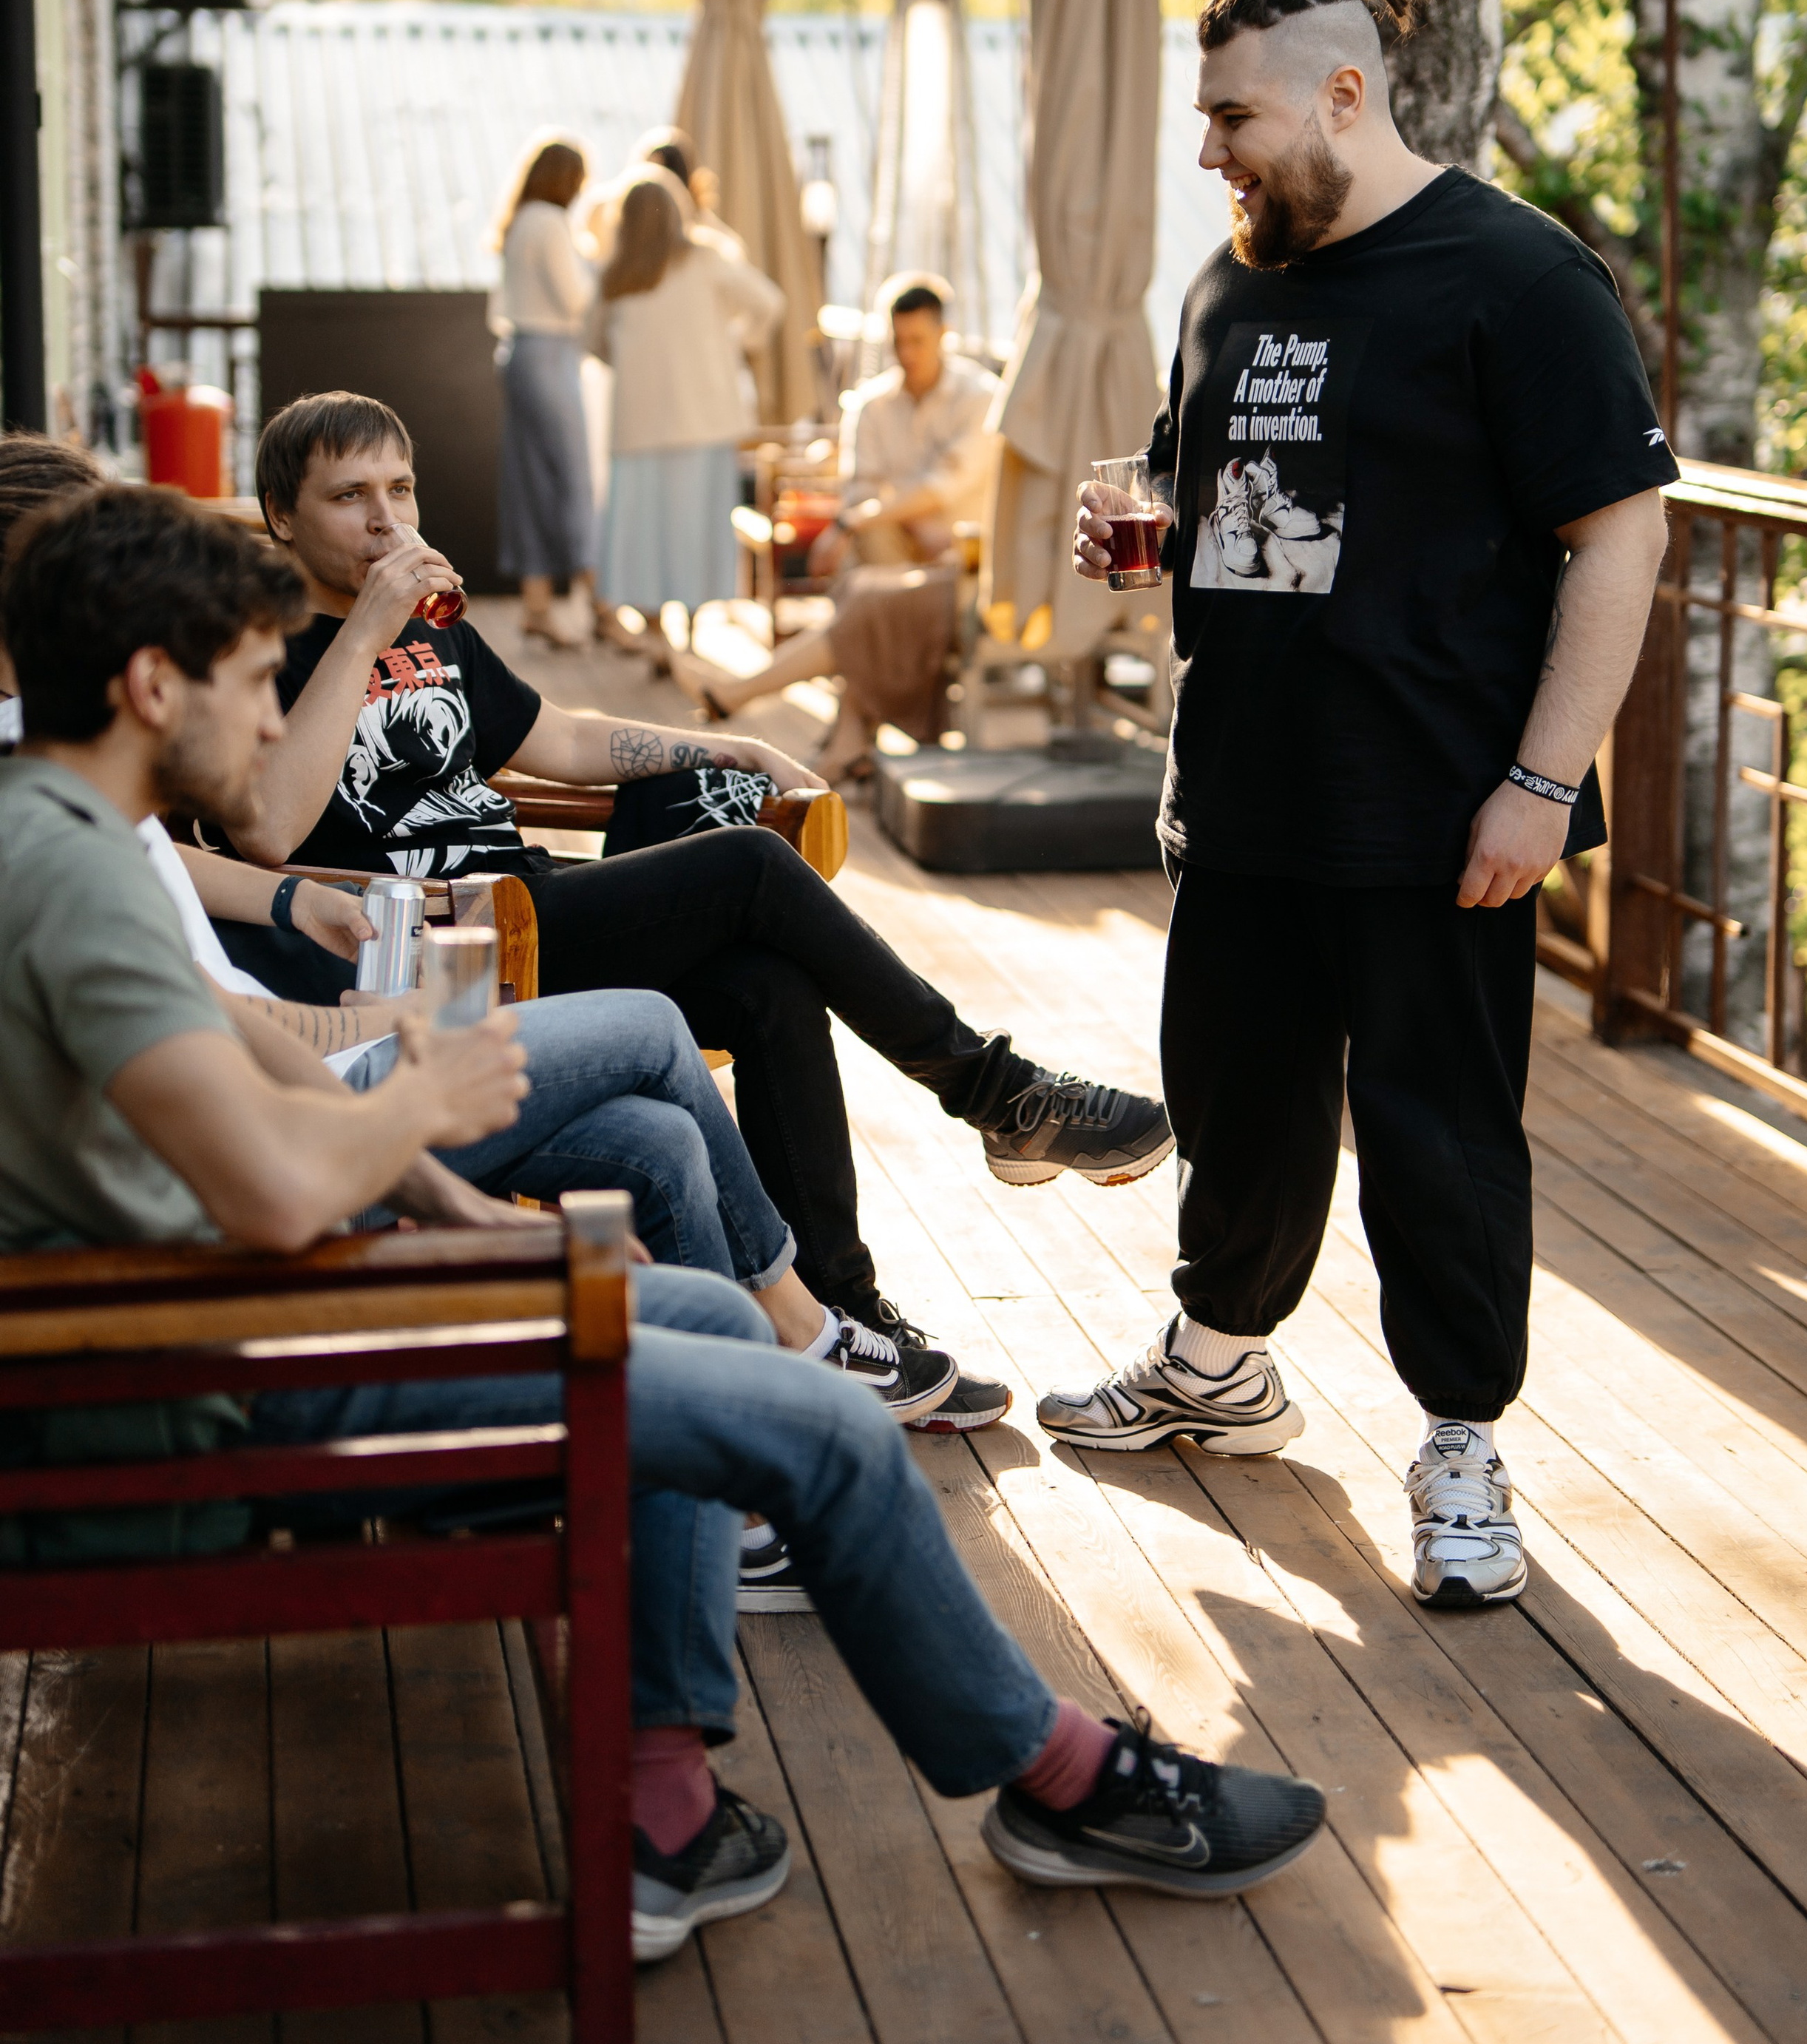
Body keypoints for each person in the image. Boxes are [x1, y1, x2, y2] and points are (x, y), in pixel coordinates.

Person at [0, 480, 1327, 1953]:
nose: (268, 730)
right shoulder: (65, 878)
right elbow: (268, 1183)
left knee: (696, 1297)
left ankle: (665, 1806)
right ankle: (1061, 1777)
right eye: (259, 686)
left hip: (248, 1310)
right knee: (814, 1423)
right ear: (146, 684)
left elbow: (250, 1080)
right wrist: (420, 1100)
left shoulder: (69, 836)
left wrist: (468, 1213)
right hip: (214, 1380)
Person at [1048, 0, 1675, 1612]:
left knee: (1436, 1137)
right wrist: (1150, 521)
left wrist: (1541, 782)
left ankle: (1460, 1436)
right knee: (1236, 1112)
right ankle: (1216, 1363)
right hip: (1241, 789)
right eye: (1202, 121)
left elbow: (1617, 536)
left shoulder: (1515, 276)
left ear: (1338, 95)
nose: (1210, 156)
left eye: (1231, 118)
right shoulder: (1221, 289)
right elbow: (1221, 493)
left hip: (1435, 813)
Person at [217, 390, 1173, 1436]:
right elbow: (268, 830)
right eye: (349, 497)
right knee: (751, 872)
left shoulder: (434, 634)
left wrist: (723, 746)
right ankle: (999, 1093)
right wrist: (361, 629)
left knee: (769, 985)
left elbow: (563, 742)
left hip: (533, 913)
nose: (385, 519)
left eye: (399, 489)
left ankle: (839, 1311)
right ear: (279, 515)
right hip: (438, 949)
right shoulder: (262, 651)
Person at [672, 274, 1000, 782]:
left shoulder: (982, 399)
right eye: (899, 341)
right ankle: (841, 740)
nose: (907, 353)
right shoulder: (871, 406)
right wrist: (885, 518)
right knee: (872, 574)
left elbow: (940, 489)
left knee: (866, 586)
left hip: (961, 572)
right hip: (894, 563)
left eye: (918, 340)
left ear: (944, 335)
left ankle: (751, 698)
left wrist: (866, 517)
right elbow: (864, 492)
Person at [588, 167, 783, 658]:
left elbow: (591, 342)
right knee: (695, 527)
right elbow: (770, 303)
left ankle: (655, 632)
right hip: (703, 420)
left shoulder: (615, 276)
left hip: (639, 425)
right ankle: (693, 632)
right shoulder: (709, 260)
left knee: (645, 533)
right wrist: (735, 343)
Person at [491, 133, 600, 649]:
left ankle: (537, 606)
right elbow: (576, 298)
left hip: (518, 354)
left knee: (529, 481)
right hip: (551, 355)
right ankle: (601, 604)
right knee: (573, 478)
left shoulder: (519, 221)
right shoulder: (552, 223)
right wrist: (601, 270)